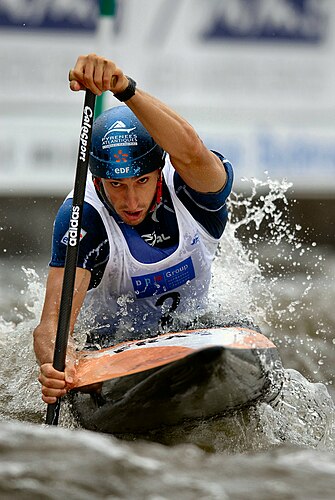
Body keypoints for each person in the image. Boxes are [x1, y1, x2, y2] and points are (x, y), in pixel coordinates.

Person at [33, 53, 234, 405]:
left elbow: (189, 147)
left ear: (159, 170)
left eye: (141, 180)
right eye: (116, 185)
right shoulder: (84, 217)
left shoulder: (195, 191)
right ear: (97, 180)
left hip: (198, 328)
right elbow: (51, 327)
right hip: (111, 349)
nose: (131, 201)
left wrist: (124, 88)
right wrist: (58, 366)